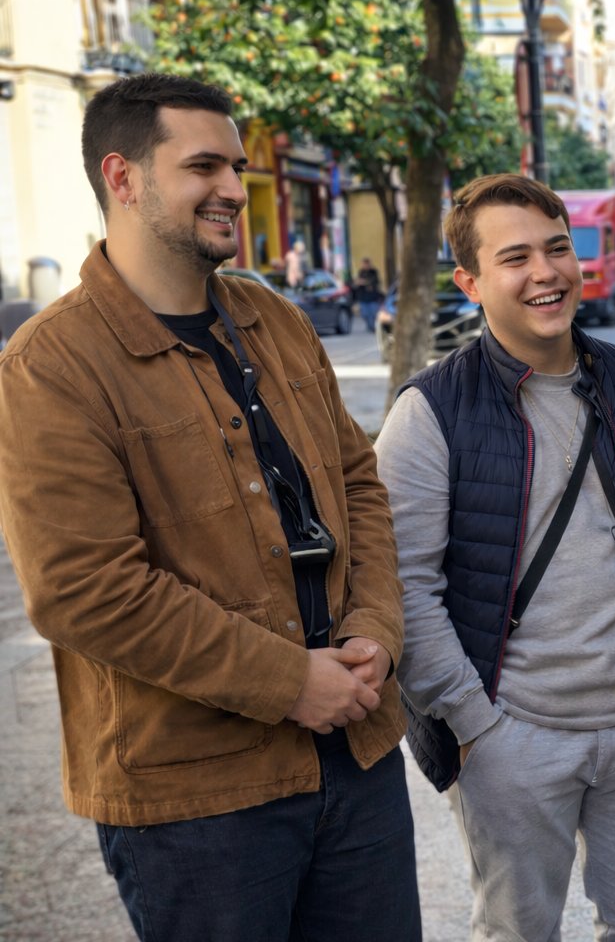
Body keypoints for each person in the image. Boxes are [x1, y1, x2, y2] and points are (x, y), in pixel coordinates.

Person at [0, 73, 418, 940]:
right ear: (123, 178)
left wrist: (374, 628)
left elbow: (359, 486)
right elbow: (84, 590)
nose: (233, 187)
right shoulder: (53, 364)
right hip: (196, 797)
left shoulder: (275, 318)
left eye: (234, 165)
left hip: (358, 749)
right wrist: (288, 681)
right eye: (204, 167)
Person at [374, 173, 615, 942]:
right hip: (513, 735)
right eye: (516, 257)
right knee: (515, 934)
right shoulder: (430, 411)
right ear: (470, 282)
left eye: (558, 248)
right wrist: (476, 727)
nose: (546, 273)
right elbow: (404, 586)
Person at [355, 256, 383, 329]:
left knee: (373, 314)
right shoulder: (361, 272)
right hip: (363, 297)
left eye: (366, 264)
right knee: (364, 314)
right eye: (363, 264)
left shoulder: (373, 272)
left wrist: (364, 282)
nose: (365, 266)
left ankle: (372, 327)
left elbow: (375, 281)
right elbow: (358, 282)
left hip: (372, 297)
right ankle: (369, 325)